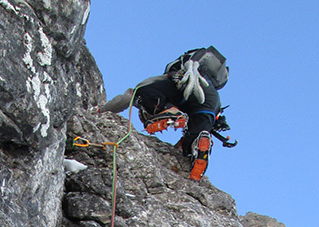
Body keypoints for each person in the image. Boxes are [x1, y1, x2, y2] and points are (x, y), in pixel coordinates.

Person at [97, 47, 228, 161]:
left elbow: (129, 96)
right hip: (211, 100)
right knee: (197, 136)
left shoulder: (165, 79)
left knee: (140, 93)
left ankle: (169, 111)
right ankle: (196, 147)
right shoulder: (213, 94)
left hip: (186, 81)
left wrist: (101, 111)